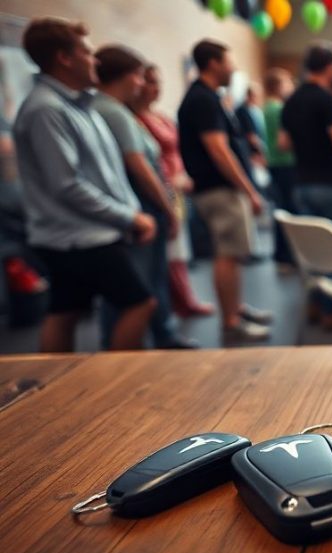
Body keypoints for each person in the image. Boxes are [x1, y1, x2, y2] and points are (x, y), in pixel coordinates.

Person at [13, 18, 156, 352]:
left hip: (84, 232)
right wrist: (129, 217)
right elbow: (66, 185)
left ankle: (53, 389)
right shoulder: (46, 109)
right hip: (78, 237)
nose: (95, 61)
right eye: (88, 53)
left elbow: (104, 173)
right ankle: (119, 383)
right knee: (140, 303)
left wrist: (129, 212)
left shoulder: (79, 105)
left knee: (66, 311)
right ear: (64, 58)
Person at [93, 45, 196, 349]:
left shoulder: (116, 111)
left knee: (149, 279)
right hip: (144, 206)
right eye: (139, 77)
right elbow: (140, 166)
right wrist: (167, 207)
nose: (142, 84)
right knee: (139, 285)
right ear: (123, 76)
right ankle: (133, 346)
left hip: (144, 204)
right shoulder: (113, 111)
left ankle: (157, 335)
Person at [177, 39, 272, 342]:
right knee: (228, 254)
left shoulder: (209, 97)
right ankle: (231, 321)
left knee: (235, 253)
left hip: (221, 190)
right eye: (229, 61)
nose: (234, 68)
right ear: (214, 63)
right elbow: (219, 150)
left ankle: (236, 308)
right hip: (219, 190)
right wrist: (249, 190)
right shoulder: (203, 99)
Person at [281, 43, 332, 331]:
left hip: (302, 183)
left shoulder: (291, 101)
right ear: (330, 67)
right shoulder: (327, 101)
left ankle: (315, 302)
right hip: (330, 184)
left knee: (313, 248)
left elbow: (283, 143)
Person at [135, 64, 214, 319]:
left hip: (177, 186)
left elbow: (176, 151)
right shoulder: (136, 120)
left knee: (179, 248)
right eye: (149, 81)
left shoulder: (160, 115)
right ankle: (172, 305)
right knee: (168, 249)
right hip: (160, 188)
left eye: (158, 81)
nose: (155, 88)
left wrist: (183, 176)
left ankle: (183, 299)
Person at [262, 67, 296, 267]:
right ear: (278, 86)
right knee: (287, 210)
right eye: (287, 82)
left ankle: (282, 254)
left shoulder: (267, 108)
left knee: (280, 208)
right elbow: (283, 142)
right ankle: (286, 255)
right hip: (284, 164)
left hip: (275, 164)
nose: (290, 87)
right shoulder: (279, 109)